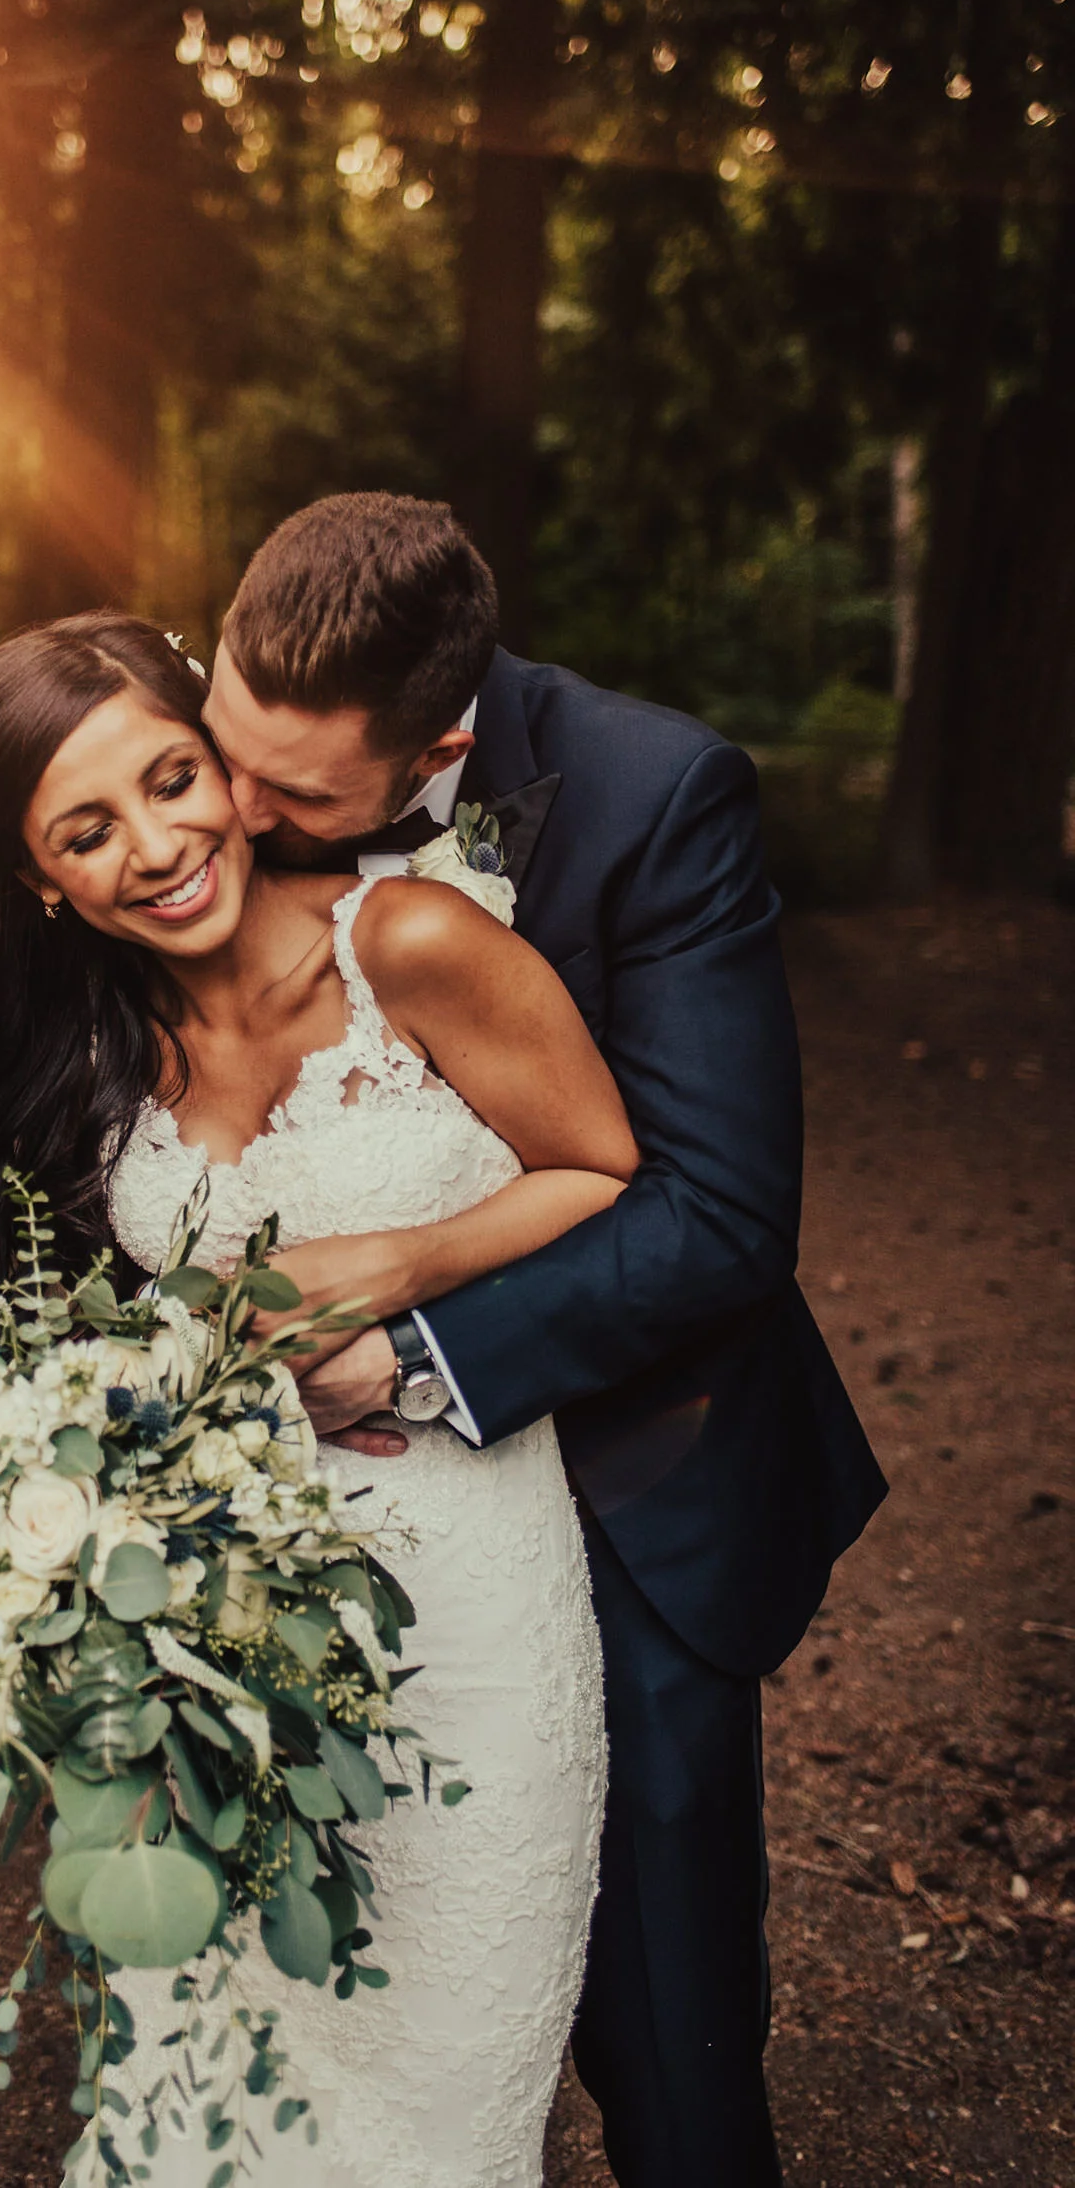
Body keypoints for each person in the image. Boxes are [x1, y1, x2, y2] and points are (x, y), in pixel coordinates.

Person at [196, 491, 889, 2187]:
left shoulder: (655, 796)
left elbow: (719, 1210)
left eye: (292, 799)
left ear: (437, 741)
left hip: (622, 1461)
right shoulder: (193, 766)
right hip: (282, 1508)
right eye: (224, 747)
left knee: (663, 2003)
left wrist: (417, 1345)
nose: (230, 814)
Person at [0, 608, 641, 2186]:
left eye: (173, 779)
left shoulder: (411, 942)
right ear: (44, 879)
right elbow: (89, 1337)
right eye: (88, 831)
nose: (158, 846)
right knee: (206, 2066)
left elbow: (602, 1172)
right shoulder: (94, 1044)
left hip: (465, 1616)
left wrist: (398, 1258)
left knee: (429, 2104)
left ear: (228, 765)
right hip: (210, 1638)